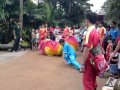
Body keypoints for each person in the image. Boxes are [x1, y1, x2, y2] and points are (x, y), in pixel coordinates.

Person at [80, 12, 108, 90]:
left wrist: (82, 64)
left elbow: (86, 49)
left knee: (87, 81)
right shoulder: (96, 31)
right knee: (92, 80)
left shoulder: (89, 32)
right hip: (95, 59)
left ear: (87, 20)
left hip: (90, 60)